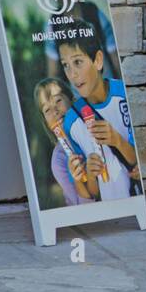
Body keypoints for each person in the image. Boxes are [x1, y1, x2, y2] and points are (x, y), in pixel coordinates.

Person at [56, 26, 142, 200]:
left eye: (78, 62)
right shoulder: (71, 121)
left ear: (98, 60)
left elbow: (137, 161)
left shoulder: (123, 94)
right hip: (106, 209)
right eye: (65, 65)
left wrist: (117, 140)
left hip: (134, 201)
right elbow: (92, 193)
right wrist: (87, 172)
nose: (72, 74)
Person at [33, 78, 96, 206]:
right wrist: (78, 180)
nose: (55, 111)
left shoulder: (93, 126)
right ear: (45, 122)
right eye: (47, 110)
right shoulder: (59, 160)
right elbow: (82, 209)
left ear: (72, 100)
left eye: (58, 100)